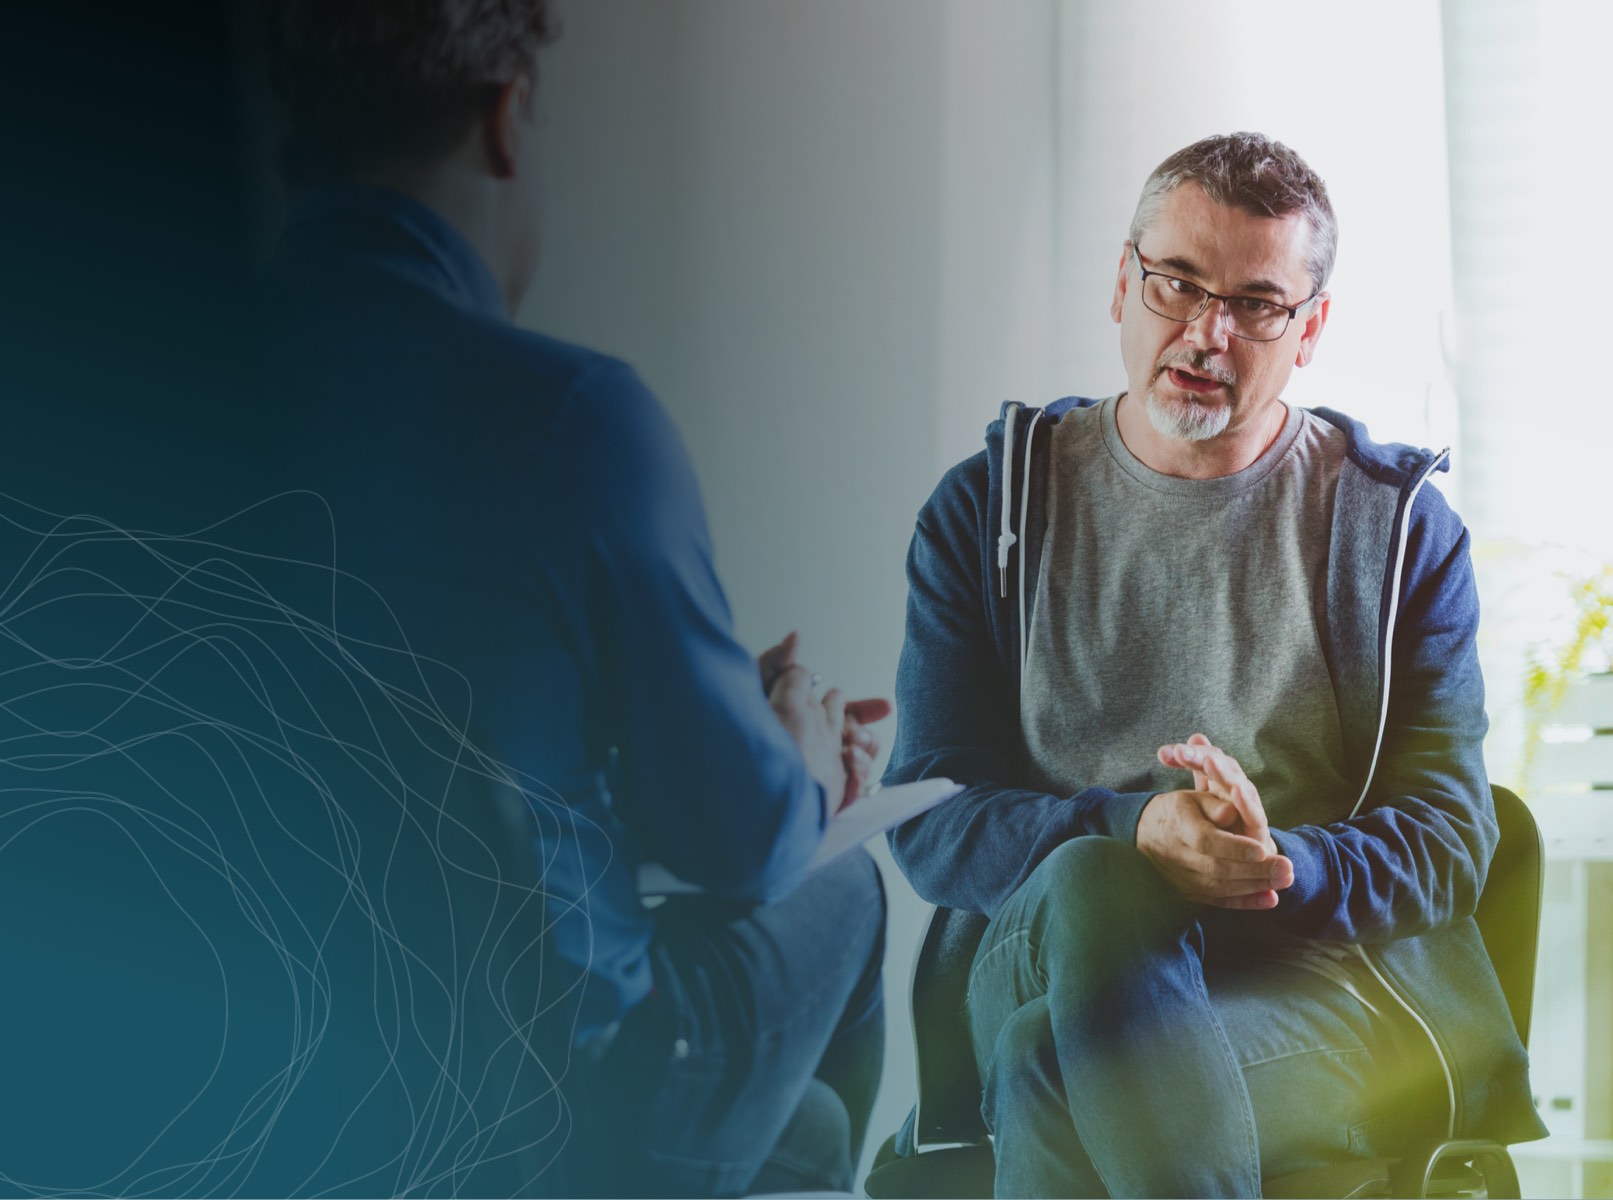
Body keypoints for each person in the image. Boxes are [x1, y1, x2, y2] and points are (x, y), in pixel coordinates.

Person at [252, 3, 889, 1195]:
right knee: (840, 887)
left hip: (269, 1077)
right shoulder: (571, 421)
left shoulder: (151, 383)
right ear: (506, 121)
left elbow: (418, 766)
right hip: (547, 1098)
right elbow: (740, 843)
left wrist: (644, 714)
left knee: (792, 1128)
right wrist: (790, 745)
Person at [882, 132, 1544, 1196]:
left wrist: (1274, 862)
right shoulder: (990, 512)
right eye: (1175, 284)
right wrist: (1130, 828)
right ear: (1120, 283)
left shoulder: (1394, 529)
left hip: (1304, 987)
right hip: (1040, 946)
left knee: (1050, 1069)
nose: (1205, 332)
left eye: (1254, 303)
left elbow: (1453, 838)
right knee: (1101, 882)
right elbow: (926, 811)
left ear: (1309, 328)